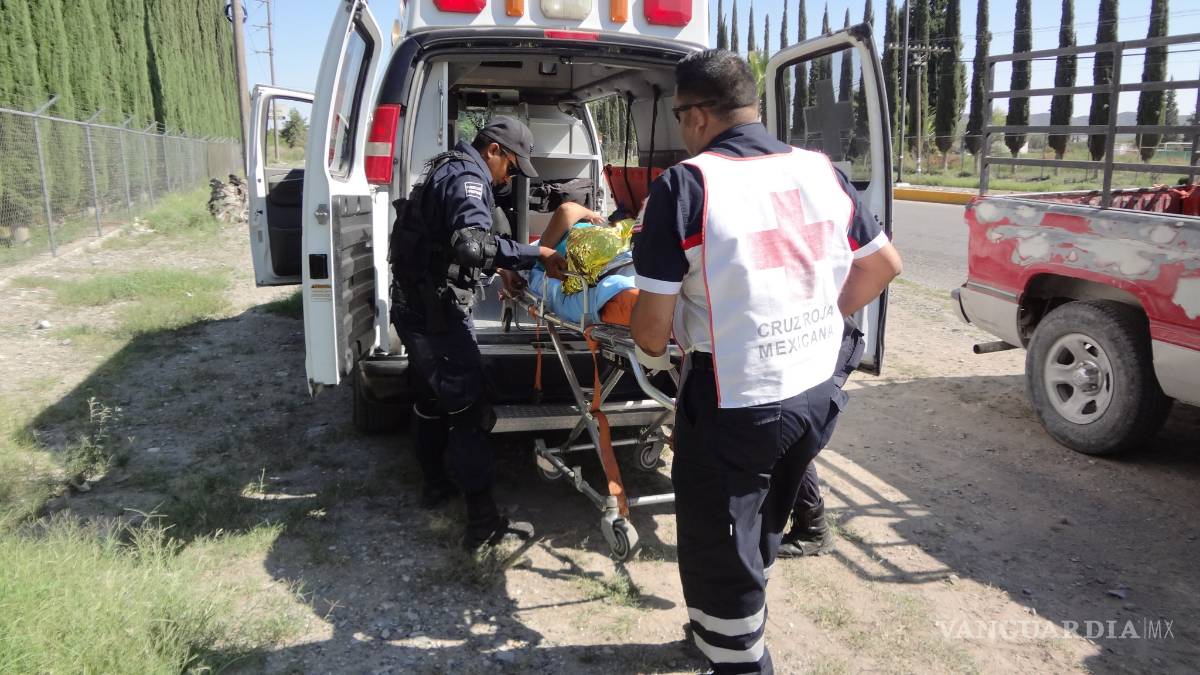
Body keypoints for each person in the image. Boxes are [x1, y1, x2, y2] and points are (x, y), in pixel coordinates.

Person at [629, 50, 902, 673]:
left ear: (697, 115)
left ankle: (740, 659)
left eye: (677, 115)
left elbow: (649, 333)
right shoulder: (819, 168)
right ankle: (714, 636)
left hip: (737, 402)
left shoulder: (687, 185)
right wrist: (817, 319)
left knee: (718, 545)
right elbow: (884, 265)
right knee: (758, 528)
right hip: (814, 391)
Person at [390, 116, 567, 550]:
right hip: (439, 315)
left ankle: (434, 485)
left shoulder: (445, 164)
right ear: (493, 150)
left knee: (430, 399)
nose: (510, 176)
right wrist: (533, 254)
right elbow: (470, 244)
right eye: (511, 165)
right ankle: (482, 521)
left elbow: (444, 241)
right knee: (469, 412)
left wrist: (503, 266)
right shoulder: (469, 177)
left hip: (413, 308)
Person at [778, 318, 865, 558]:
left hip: (823, 343)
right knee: (791, 434)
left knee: (795, 436)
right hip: (804, 342)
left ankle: (813, 531)